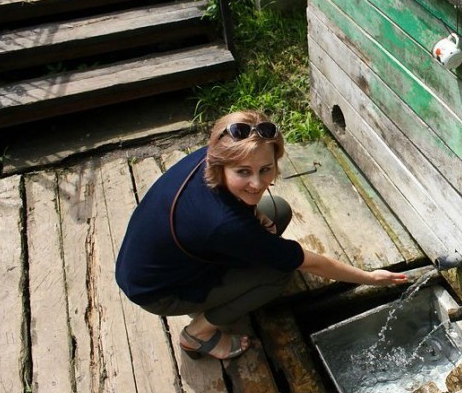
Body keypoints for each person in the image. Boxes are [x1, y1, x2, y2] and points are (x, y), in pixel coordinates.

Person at [116, 110, 408, 360]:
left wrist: (254, 213)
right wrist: (369, 278)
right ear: (221, 163)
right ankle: (197, 334)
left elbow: (239, 205)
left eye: (266, 169)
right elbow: (310, 262)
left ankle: (221, 291)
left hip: (159, 259)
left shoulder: (210, 157)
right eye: (243, 172)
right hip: (159, 291)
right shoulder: (225, 224)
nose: (257, 184)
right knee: (278, 273)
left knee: (278, 210)